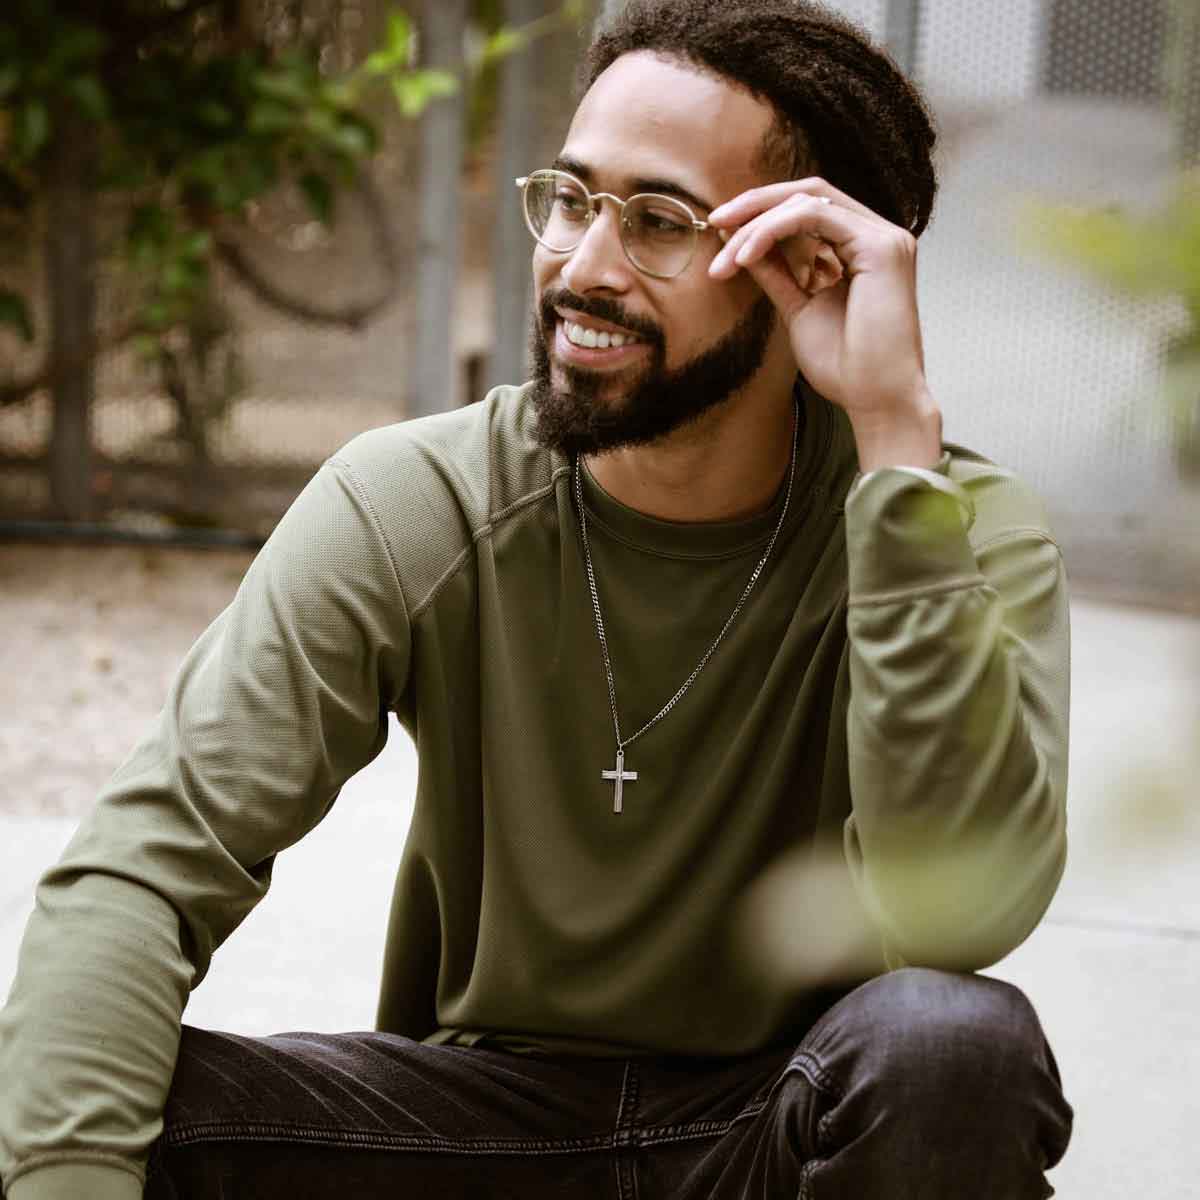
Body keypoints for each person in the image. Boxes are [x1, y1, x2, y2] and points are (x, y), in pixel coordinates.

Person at [0, 1, 1075, 1197]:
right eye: (571, 200)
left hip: (780, 1143)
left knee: (952, 1047)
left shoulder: (952, 524)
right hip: (467, 1139)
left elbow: (957, 922)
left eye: (658, 221)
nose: (585, 267)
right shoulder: (421, 500)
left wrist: (892, 441)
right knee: (70, 1075)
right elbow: (145, 871)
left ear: (805, 268)